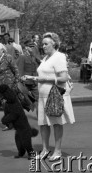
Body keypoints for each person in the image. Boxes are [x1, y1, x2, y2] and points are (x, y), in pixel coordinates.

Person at [25, 32, 75, 161]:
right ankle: (45, 149)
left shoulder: (59, 56)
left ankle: (57, 150)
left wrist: (41, 78)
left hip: (54, 95)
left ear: (54, 44)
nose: (43, 46)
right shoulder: (46, 58)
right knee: (43, 123)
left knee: (56, 123)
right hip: (42, 96)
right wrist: (35, 78)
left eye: (46, 43)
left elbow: (63, 77)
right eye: (42, 43)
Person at [0, 42, 20, 131]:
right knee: (5, 105)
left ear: (1, 50)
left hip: (9, 85)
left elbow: (16, 70)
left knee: (9, 104)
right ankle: (10, 123)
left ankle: (12, 123)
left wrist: (16, 82)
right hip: (1, 86)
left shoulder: (8, 57)